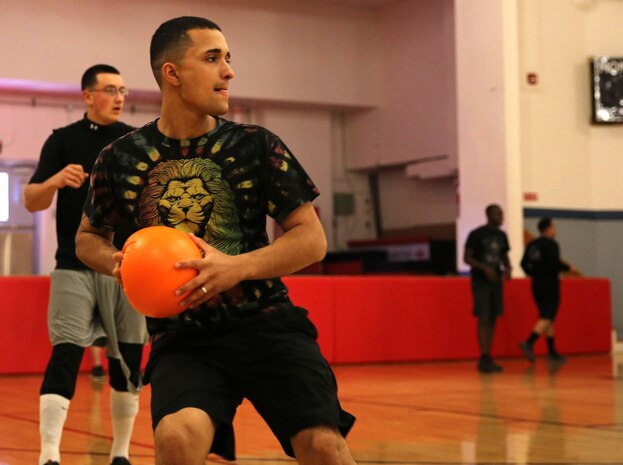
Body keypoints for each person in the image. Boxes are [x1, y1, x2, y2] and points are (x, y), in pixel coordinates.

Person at [75, 16, 357, 465]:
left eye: (228, 59)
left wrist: (236, 266)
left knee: (324, 446)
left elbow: (312, 240)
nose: (228, 71)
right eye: (212, 59)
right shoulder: (119, 158)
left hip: (267, 325)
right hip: (183, 340)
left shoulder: (257, 145)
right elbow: (88, 238)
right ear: (172, 73)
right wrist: (119, 263)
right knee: (177, 439)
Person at [24, 64, 148, 465]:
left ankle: (121, 453)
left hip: (125, 269)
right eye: (110, 89)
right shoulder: (62, 141)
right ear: (87, 96)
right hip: (73, 269)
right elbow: (31, 200)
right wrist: (55, 181)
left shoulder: (134, 142)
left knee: (127, 364)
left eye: (123, 90)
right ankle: (48, 455)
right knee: (65, 357)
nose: (119, 97)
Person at [464, 204, 512, 373]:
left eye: (502, 214)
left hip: (496, 280)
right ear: (488, 215)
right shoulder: (476, 234)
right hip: (481, 281)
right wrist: (484, 268)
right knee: (483, 316)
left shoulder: (502, 236)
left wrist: (508, 269)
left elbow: (504, 256)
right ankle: (484, 355)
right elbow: (467, 258)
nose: (500, 217)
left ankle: (488, 355)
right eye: (497, 214)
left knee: (493, 316)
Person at [519, 217, 574, 363]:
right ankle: (529, 342)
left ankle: (552, 351)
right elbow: (553, 263)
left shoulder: (532, 244)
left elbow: (523, 263)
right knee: (547, 315)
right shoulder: (551, 244)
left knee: (547, 316)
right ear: (548, 229)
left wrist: (534, 274)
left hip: (536, 284)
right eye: (553, 227)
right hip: (549, 284)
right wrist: (567, 268)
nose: (555, 230)